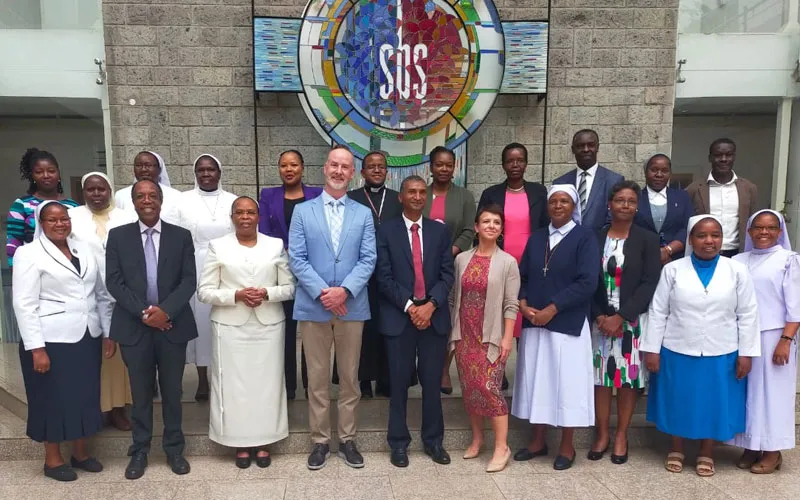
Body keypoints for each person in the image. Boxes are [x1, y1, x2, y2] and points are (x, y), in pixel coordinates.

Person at [641, 215, 759, 477]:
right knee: (678, 398)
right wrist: (652, 349)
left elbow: (748, 313)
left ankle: (707, 451)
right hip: (677, 346)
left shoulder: (737, 270)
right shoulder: (672, 270)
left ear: (722, 238)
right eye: (702, 235)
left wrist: (747, 353)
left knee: (713, 402)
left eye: (715, 235)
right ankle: (676, 448)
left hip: (722, 349)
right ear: (691, 240)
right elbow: (658, 311)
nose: (709, 241)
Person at [288, 146, 376, 470]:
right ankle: (320, 441)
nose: (339, 171)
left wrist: (345, 291)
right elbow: (296, 258)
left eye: (346, 167)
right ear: (325, 169)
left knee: (350, 377)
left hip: (352, 308)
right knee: (317, 377)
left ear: (352, 174)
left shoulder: (363, 213)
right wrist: (325, 293)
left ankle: (348, 439)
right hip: (314, 307)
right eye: (334, 165)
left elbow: (368, 259)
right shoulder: (303, 212)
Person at [13, 201, 112, 481]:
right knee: (52, 399)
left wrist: (107, 332)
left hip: (86, 335)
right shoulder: (28, 254)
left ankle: (80, 453)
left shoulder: (85, 248)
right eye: (52, 220)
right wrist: (36, 348)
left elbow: (101, 294)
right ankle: (53, 460)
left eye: (64, 218)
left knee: (84, 396)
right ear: (41, 223)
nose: (60, 224)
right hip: (50, 340)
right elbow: (24, 305)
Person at [106, 180, 198, 480]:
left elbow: (188, 281)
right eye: (141, 196)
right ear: (133, 202)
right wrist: (145, 313)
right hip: (134, 327)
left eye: (153, 196)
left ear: (161, 200)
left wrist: (165, 311)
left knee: (172, 391)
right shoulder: (118, 236)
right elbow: (114, 281)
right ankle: (140, 451)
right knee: (140, 392)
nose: (147, 200)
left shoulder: (180, 236)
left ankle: (174, 449)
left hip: (172, 325)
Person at [197, 196, 296, 469]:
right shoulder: (218, 246)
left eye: (250, 212)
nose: (245, 217)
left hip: (268, 325)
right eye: (239, 213)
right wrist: (236, 295)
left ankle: (265, 440)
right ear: (232, 218)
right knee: (234, 387)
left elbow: (289, 288)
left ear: (258, 217)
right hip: (230, 328)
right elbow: (204, 291)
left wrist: (266, 292)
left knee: (267, 386)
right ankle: (238, 443)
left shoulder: (274, 245)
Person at [511, 184, 600, 471]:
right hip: (534, 320)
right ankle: (538, 440)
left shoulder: (585, 237)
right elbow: (522, 275)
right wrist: (523, 304)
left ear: (574, 206)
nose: (559, 205)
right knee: (537, 381)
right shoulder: (537, 238)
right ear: (547, 206)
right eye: (554, 201)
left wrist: (553, 308)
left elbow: (588, 282)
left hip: (566, 323)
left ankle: (567, 445)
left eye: (565, 201)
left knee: (567, 385)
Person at [376, 175, 455, 469]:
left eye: (423, 192)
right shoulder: (386, 231)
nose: (418, 196)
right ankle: (398, 443)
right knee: (398, 384)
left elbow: (448, 274)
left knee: (432, 383)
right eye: (412, 191)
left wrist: (431, 305)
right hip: (400, 317)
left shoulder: (439, 231)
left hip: (433, 320)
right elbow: (383, 277)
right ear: (401, 196)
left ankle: (434, 441)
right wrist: (411, 307)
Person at [589, 181, 661, 464]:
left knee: (628, 380)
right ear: (610, 204)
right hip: (599, 321)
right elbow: (587, 280)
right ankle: (602, 434)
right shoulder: (594, 237)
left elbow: (649, 282)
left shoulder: (647, 239)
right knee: (601, 380)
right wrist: (600, 316)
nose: (626, 205)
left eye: (631, 201)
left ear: (637, 206)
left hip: (631, 323)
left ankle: (621, 435)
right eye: (620, 200)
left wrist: (621, 316)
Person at [449, 204, 519, 472]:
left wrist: (507, 339)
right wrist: (452, 335)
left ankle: (502, 446)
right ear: (476, 227)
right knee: (470, 388)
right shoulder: (461, 260)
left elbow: (510, 304)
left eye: (496, 223)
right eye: (486, 221)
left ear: (501, 230)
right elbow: (455, 297)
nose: (491, 226)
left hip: (491, 337)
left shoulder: (508, 262)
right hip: (464, 336)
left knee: (490, 389)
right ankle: (477, 439)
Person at [728, 210, 800, 474]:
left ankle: (772, 451)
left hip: (774, 336)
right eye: (758, 227)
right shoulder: (737, 260)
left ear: (780, 232)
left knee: (772, 395)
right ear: (748, 231)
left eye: (771, 228)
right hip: (742, 335)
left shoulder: (789, 260)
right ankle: (750, 445)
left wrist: (786, 339)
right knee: (747, 392)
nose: (764, 232)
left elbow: (796, 307)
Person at [69, 172, 137, 431]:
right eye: (90, 190)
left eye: (101, 189)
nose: (96, 194)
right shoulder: (73, 218)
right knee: (92, 356)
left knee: (116, 356)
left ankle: (118, 409)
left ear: (110, 190)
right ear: (83, 192)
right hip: (84, 293)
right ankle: (96, 409)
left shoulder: (126, 217)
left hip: (120, 293)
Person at [477, 142, 549, 388]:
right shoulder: (492, 194)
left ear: (526, 163)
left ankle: (526, 373)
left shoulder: (539, 192)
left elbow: (548, 228)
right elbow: (483, 227)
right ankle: (499, 370)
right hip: (501, 263)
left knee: (525, 314)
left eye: (519, 160)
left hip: (532, 264)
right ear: (503, 164)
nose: (515, 165)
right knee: (499, 315)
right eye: (510, 161)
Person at [259, 149, 323, 400]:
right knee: (284, 331)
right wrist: (284, 250)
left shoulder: (317, 194)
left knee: (311, 331)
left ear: (302, 168)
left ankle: (311, 386)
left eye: (294, 165)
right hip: (279, 272)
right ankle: (288, 386)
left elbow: (321, 229)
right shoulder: (268, 195)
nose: (289, 169)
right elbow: (263, 231)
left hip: (311, 272)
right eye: (284, 165)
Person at [178, 154, 238, 401]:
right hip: (196, 264)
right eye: (200, 170)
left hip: (227, 265)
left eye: (210, 169)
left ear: (219, 172)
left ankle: (226, 376)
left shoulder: (233, 200)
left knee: (227, 320)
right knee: (201, 324)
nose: (205, 174)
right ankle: (202, 379)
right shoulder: (183, 201)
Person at [346, 150, 403, 398]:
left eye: (381, 166)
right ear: (362, 172)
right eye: (371, 167)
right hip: (360, 274)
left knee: (387, 326)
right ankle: (363, 380)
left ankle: (386, 379)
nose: (377, 170)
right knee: (363, 329)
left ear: (387, 172)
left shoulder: (397, 199)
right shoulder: (351, 198)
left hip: (391, 272)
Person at [423, 145, 476, 394]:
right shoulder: (421, 193)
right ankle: (422, 365)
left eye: (448, 164)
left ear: (454, 167)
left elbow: (468, 230)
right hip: (420, 265)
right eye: (439, 164)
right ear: (430, 167)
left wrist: (451, 251)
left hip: (453, 265)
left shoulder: (464, 196)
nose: (444, 168)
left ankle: (444, 369)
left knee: (452, 317)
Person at [686, 138, 759, 256]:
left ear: (734, 157)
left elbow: (752, 221)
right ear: (710, 158)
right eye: (718, 155)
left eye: (728, 155)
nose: (724, 159)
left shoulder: (748, 188)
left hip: (738, 252)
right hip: (704, 252)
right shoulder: (694, 189)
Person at [7, 148, 79, 267]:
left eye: (51, 171)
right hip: (33, 266)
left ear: (58, 174)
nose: (46, 175)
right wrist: (15, 269)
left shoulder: (72, 206)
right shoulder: (21, 205)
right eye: (39, 172)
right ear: (32, 176)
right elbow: (13, 241)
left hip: (67, 265)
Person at [553, 129, 624, 233]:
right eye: (580, 146)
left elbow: (615, 217)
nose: (586, 149)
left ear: (597, 147)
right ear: (573, 149)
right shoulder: (560, 183)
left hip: (600, 244)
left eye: (590, 145)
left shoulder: (614, 181)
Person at [635, 153, 694, 263]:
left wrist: (668, 250)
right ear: (645, 172)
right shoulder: (635, 197)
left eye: (664, 171)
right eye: (654, 170)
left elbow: (688, 227)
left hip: (675, 259)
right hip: (642, 259)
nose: (659, 174)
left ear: (670, 173)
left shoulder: (682, 197)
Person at [114, 151, 182, 225]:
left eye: (148, 165)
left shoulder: (176, 196)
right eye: (138, 165)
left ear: (159, 169)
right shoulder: (121, 195)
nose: (143, 169)